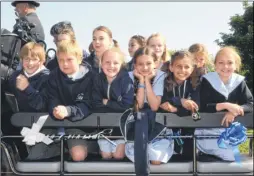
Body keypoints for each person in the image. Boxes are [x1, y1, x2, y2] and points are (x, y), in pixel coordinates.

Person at [195, 46, 253, 161]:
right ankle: (204, 151)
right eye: (221, 63)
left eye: (230, 63)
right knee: (230, 156)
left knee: (231, 156)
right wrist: (226, 105)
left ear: (236, 65)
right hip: (207, 131)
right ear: (215, 65)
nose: (225, 67)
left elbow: (250, 104)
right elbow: (202, 107)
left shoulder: (239, 82)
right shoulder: (207, 81)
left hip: (226, 132)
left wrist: (235, 111)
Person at [124, 47, 174, 176]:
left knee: (156, 161)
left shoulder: (161, 76)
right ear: (135, 65)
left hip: (156, 125)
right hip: (138, 124)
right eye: (140, 64)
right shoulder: (129, 76)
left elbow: (154, 106)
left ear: (156, 64)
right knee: (140, 157)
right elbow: (139, 105)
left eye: (148, 63)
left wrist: (147, 81)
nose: (145, 68)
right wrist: (141, 80)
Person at [92, 47, 134, 159]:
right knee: (106, 156)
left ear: (121, 64)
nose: (111, 66)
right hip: (104, 127)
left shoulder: (126, 80)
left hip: (121, 127)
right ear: (101, 63)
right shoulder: (97, 79)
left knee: (118, 155)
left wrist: (107, 103)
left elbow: (127, 105)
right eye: (107, 62)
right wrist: (115, 105)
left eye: (115, 63)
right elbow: (95, 103)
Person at [160, 50, 199, 157]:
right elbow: (162, 103)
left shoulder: (195, 84)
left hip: (189, 130)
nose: (183, 70)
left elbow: (195, 111)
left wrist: (176, 109)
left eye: (187, 67)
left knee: (188, 158)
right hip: (166, 130)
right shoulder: (163, 82)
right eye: (179, 66)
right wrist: (180, 101)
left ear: (192, 69)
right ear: (171, 67)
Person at [8, 42, 49, 112]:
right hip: (16, 118)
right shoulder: (15, 76)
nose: (30, 63)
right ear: (21, 60)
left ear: (42, 61)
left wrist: (27, 88)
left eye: (34, 59)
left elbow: (42, 105)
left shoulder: (48, 79)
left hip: (36, 120)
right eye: (27, 59)